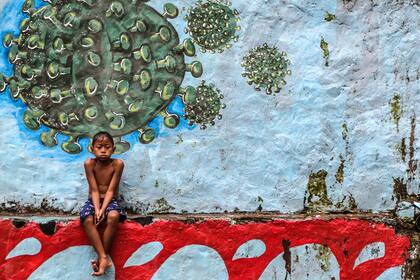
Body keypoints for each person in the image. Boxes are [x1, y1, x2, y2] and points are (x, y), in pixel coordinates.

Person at [79, 131, 127, 276]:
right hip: (94, 200)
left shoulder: (117, 164)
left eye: (107, 147)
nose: (103, 150)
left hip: (110, 200)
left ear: (113, 149)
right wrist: (98, 209)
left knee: (113, 216)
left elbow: (111, 190)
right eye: (99, 147)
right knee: (87, 219)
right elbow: (94, 190)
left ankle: (102, 257)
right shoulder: (89, 164)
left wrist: (103, 208)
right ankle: (104, 257)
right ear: (92, 149)